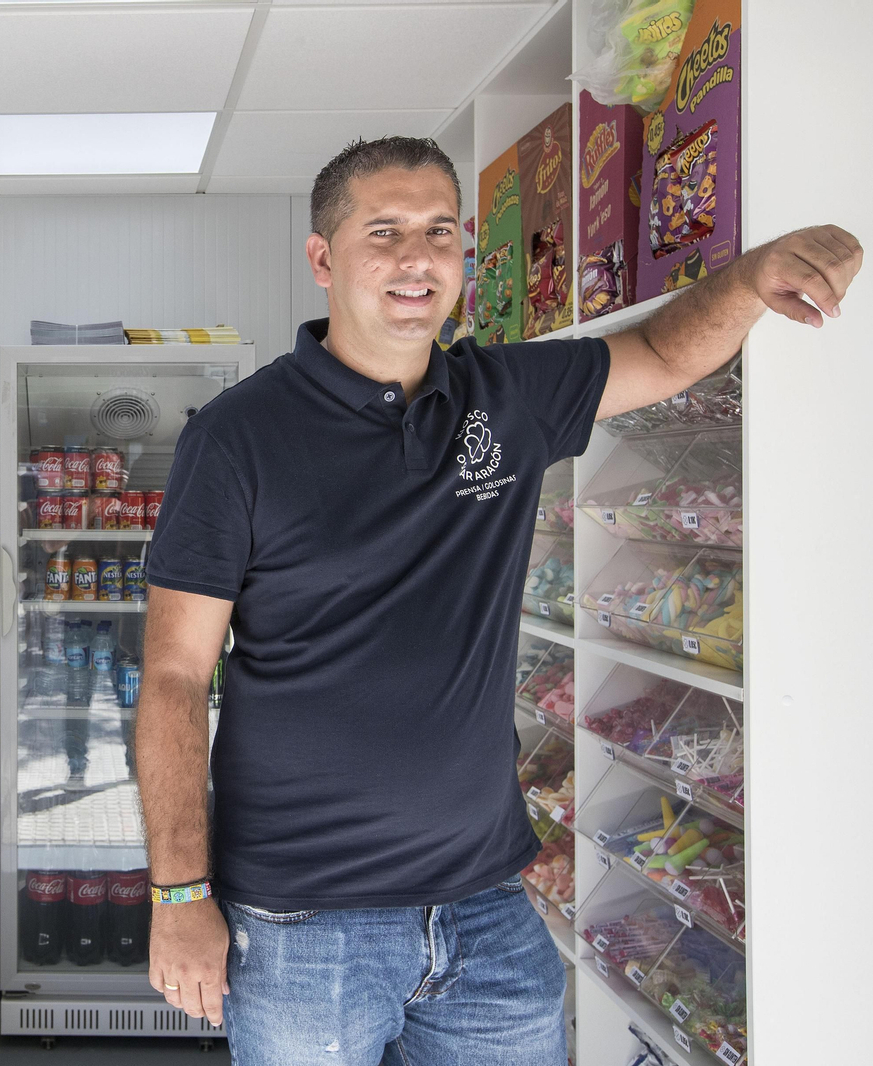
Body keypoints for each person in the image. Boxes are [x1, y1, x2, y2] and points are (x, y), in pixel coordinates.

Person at [134, 135, 861, 1066]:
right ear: (323, 258)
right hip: (303, 923)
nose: (416, 256)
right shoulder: (237, 439)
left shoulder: (506, 395)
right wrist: (179, 895)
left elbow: (665, 353)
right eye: (384, 231)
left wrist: (756, 274)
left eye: (440, 231)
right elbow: (173, 674)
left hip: (487, 913)